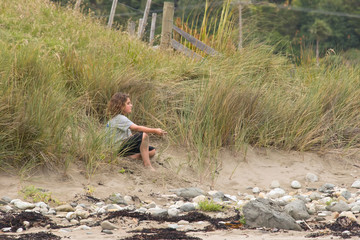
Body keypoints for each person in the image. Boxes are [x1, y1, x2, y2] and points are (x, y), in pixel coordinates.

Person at [105, 92, 166, 171]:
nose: (131, 105)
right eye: (128, 103)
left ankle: (127, 157)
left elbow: (130, 137)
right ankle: (147, 165)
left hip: (122, 148)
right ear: (121, 106)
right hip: (116, 148)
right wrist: (155, 130)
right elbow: (137, 128)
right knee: (144, 135)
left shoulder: (121, 118)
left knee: (152, 151)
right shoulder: (119, 118)